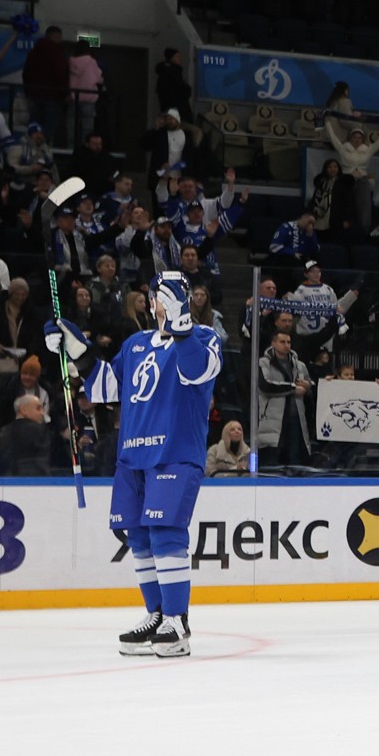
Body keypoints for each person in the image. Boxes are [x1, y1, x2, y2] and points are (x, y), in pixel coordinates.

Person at [83, 272, 222, 657]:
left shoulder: (204, 336)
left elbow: (196, 371)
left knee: (165, 532)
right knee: (139, 537)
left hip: (175, 451)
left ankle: (177, 621)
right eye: (160, 293)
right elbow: (105, 390)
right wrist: (79, 353)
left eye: (173, 293)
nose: (164, 299)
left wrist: (181, 326)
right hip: (133, 454)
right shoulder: (135, 343)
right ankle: (157, 615)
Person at [255, 330, 311, 470]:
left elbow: (309, 385)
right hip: (272, 419)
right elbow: (265, 386)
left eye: (289, 342)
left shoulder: (299, 365)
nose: (286, 345)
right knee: (271, 461)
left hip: (296, 420)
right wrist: (293, 388)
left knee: (295, 461)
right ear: (273, 343)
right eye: (282, 342)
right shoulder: (263, 363)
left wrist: (307, 386)